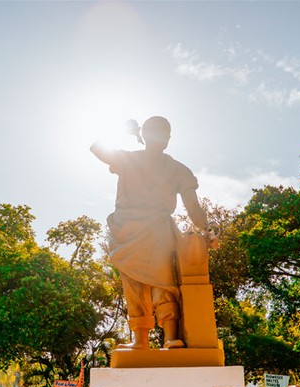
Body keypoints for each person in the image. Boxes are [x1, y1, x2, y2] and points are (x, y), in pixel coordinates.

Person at [90, 116, 214, 349]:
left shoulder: (177, 169)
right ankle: (141, 339)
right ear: (144, 134)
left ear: (169, 139)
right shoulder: (129, 159)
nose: (161, 137)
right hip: (127, 229)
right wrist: (122, 132)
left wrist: (208, 230)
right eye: (156, 131)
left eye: (165, 133)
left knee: (162, 281)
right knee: (137, 283)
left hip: (156, 229)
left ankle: (169, 337)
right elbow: (97, 148)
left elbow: (193, 207)